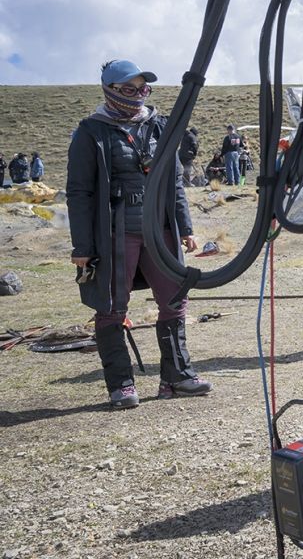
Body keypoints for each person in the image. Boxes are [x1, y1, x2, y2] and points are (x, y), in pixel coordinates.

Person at [66, 59, 209, 409]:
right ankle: (121, 385)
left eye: (143, 89)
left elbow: (174, 181)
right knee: (112, 305)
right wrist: (82, 246)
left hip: (160, 230)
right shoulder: (91, 131)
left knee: (174, 299)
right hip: (115, 232)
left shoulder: (160, 126)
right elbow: (79, 192)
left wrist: (185, 227)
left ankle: (176, 377)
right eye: (129, 90)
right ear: (110, 90)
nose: (138, 96)